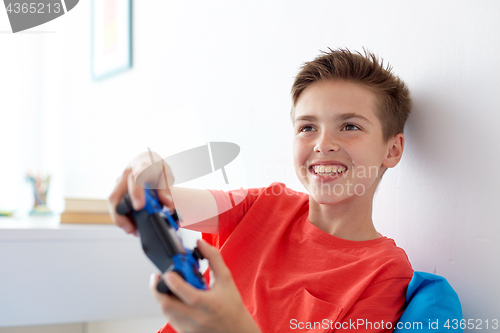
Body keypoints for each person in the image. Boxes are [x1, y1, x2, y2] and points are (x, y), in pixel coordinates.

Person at [108, 48, 414, 333]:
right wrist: (145, 167)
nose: (323, 144)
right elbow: (165, 199)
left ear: (392, 149)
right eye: (307, 127)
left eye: (350, 126)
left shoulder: (384, 272)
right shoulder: (263, 205)